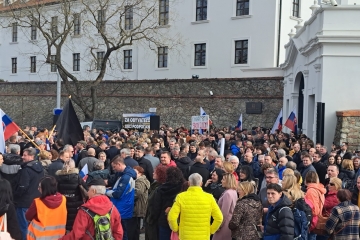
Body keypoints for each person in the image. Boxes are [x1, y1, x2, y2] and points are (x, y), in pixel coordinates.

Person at [59, 179, 124, 240]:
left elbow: (76, 234)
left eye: (88, 190)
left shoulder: (84, 210)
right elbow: (118, 232)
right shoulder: (112, 208)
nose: (87, 193)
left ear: (94, 191)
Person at [168, 173, 223, 240]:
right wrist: (211, 231)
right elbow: (219, 218)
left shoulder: (181, 197)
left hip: (185, 236)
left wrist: (176, 229)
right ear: (201, 184)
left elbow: (171, 217)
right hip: (203, 236)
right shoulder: (209, 198)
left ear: (188, 183)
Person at [14, 148, 44, 240]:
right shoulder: (40, 168)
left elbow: (23, 186)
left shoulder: (26, 170)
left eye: (25, 155)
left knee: (23, 227)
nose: (22, 157)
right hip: (36, 201)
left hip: (24, 202)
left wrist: (15, 195)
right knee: (33, 227)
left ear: (31, 156)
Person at [106, 155, 136, 240]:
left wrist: (105, 191)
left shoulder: (126, 177)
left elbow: (118, 194)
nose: (113, 169)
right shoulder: (124, 174)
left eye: (114, 166)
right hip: (122, 207)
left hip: (122, 209)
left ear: (119, 164)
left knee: (122, 233)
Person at [153, 167, 184, 240]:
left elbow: (156, 206)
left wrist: (155, 218)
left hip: (163, 220)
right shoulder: (183, 188)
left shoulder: (161, 189)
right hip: (179, 220)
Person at [56, 159, 88, 231]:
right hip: (76, 204)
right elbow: (86, 189)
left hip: (63, 203)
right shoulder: (77, 177)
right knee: (74, 223)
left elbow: (56, 190)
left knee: (65, 221)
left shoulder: (58, 177)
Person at [145, 165, 168, 240]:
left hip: (154, 220)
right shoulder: (154, 186)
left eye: (155, 172)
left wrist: (151, 217)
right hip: (150, 218)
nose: (153, 173)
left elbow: (155, 205)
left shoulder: (160, 188)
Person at [212, 173, 238, 240]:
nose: (221, 181)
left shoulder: (228, 193)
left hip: (225, 223)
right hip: (228, 221)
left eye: (223, 179)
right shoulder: (233, 191)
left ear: (228, 181)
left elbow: (224, 212)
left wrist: (219, 226)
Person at [128, 166, 150, 240]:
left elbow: (137, 192)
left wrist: (128, 197)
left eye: (135, 172)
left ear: (140, 173)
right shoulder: (141, 180)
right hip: (139, 206)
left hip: (137, 206)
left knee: (134, 227)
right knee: (135, 227)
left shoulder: (139, 181)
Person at [304, 171, 326, 240]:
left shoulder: (311, 190)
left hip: (312, 221)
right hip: (316, 219)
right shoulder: (319, 189)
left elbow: (314, 210)